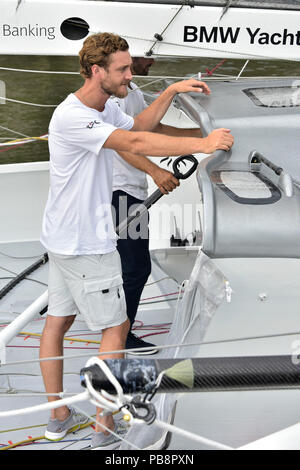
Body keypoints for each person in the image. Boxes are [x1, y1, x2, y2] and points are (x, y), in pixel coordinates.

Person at [39, 32, 234, 450]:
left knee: (57, 323)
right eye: (123, 69)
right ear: (97, 71)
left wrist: (171, 91)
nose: (130, 75)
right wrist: (203, 144)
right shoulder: (74, 117)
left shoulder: (102, 106)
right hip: (88, 243)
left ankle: (57, 417)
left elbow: (141, 125)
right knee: (117, 327)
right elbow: (133, 142)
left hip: (60, 237)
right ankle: (103, 428)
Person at [111, 57, 206, 355]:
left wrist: (203, 136)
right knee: (136, 267)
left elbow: (155, 129)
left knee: (131, 265)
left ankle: (117, 330)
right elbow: (124, 143)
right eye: (145, 57)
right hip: (119, 194)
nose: (152, 61)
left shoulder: (133, 92)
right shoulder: (114, 98)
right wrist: (155, 171)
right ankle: (120, 337)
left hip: (131, 193)